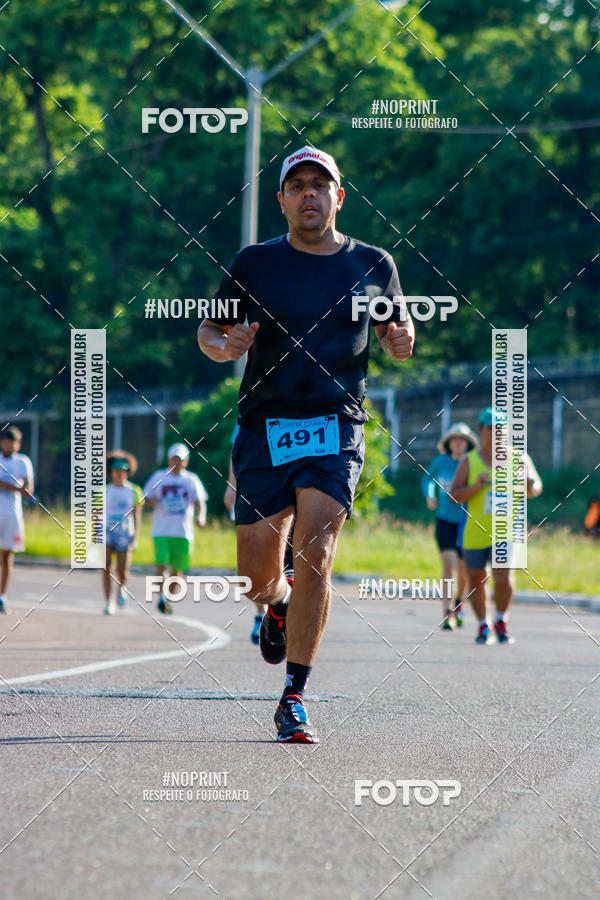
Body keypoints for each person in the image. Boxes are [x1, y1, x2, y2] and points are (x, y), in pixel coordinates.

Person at [198, 145, 414, 742]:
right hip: (266, 426)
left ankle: (293, 694)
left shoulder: (373, 263)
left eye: (321, 185)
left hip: (335, 424)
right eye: (299, 186)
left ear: (339, 197)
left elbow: (398, 323)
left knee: (315, 548)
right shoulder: (255, 264)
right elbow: (209, 331)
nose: (310, 194)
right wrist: (225, 345)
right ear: (283, 201)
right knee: (255, 576)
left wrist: (401, 338)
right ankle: (275, 605)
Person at [450, 407, 543, 645]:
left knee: (503, 576)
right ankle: (483, 624)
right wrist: (475, 487)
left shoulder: (520, 458)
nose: (497, 433)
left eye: (501, 428)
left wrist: (529, 482)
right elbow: (454, 495)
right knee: (475, 578)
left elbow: (535, 489)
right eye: (491, 428)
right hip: (475, 530)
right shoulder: (469, 461)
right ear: (481, 431)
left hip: (507, 530)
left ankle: (501, 619)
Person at [422, 423, 478, 630]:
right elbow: (427, 479)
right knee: (449, 564)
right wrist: (430, 495)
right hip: (444, 520)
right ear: (448, 442)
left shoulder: (472, 462)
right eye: (454, 438)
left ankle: (458, 604)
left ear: (468, 443)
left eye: (462, 439)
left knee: (464, 573)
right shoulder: (440, 461)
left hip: (466, 522)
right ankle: (447, 612)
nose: (457, 442)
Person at [144, 443, 208, 614]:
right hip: (161, 530)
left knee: (176, 572)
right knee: (161, 565)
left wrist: (200, 517)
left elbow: (200, 501)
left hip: (183, 532)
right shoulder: (159, 476)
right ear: (168, 459)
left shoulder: (191, 479)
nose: (176, 462)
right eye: (174, 458)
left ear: (186, 461)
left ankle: (168, 598)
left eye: (180, 459)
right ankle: (162, 598)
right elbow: (145, 499)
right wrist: (153, 501)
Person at [102, 450, 143, 615]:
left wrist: (136, 537)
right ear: (111, 472)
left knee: (122, 569)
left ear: (128, 472)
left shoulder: (134, 491)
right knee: (105, 567)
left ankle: (122, 587)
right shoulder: (104, 490)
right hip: (106, 532)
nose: (120, 474)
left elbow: (137, 515)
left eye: (123, 471)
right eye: (116, 471)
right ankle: (108, 601)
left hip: (125, 533)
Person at [0, 426, 34, 613]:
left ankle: (2, 597)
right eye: (6, 441)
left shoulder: (23, 462)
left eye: (13, 441)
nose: (9, 445)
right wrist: (14, 486)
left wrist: (16, 487)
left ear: (18, 444)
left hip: (13, 514)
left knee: (7, 556)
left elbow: (29, 491)